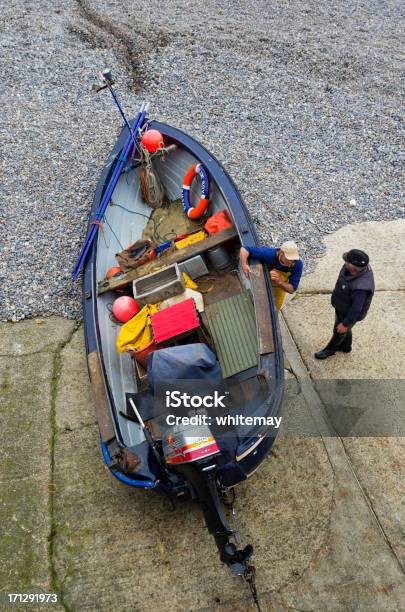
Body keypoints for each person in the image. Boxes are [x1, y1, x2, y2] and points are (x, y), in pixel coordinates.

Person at [314, 249, 375, 360]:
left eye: (347, 261)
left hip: (349, 313)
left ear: (354, 268)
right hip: (342, 306)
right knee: (344, 329)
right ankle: (346, 347)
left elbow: (356, 309)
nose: (344, 261)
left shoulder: (361, 287)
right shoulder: (350, 269)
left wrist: (345, 324)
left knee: (339, 330)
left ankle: (330, 350)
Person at [239, 241, 303, 310]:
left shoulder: (297, 265)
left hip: (279, 291)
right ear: (281, 253)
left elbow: (292, 290)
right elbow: (244, 249)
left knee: (274, 310)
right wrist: (244, 265)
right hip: (263, 286)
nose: (291, 262)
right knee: (258, 306)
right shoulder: (269, 254)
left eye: (293, 260)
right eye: (289, 259)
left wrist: (279, 281)